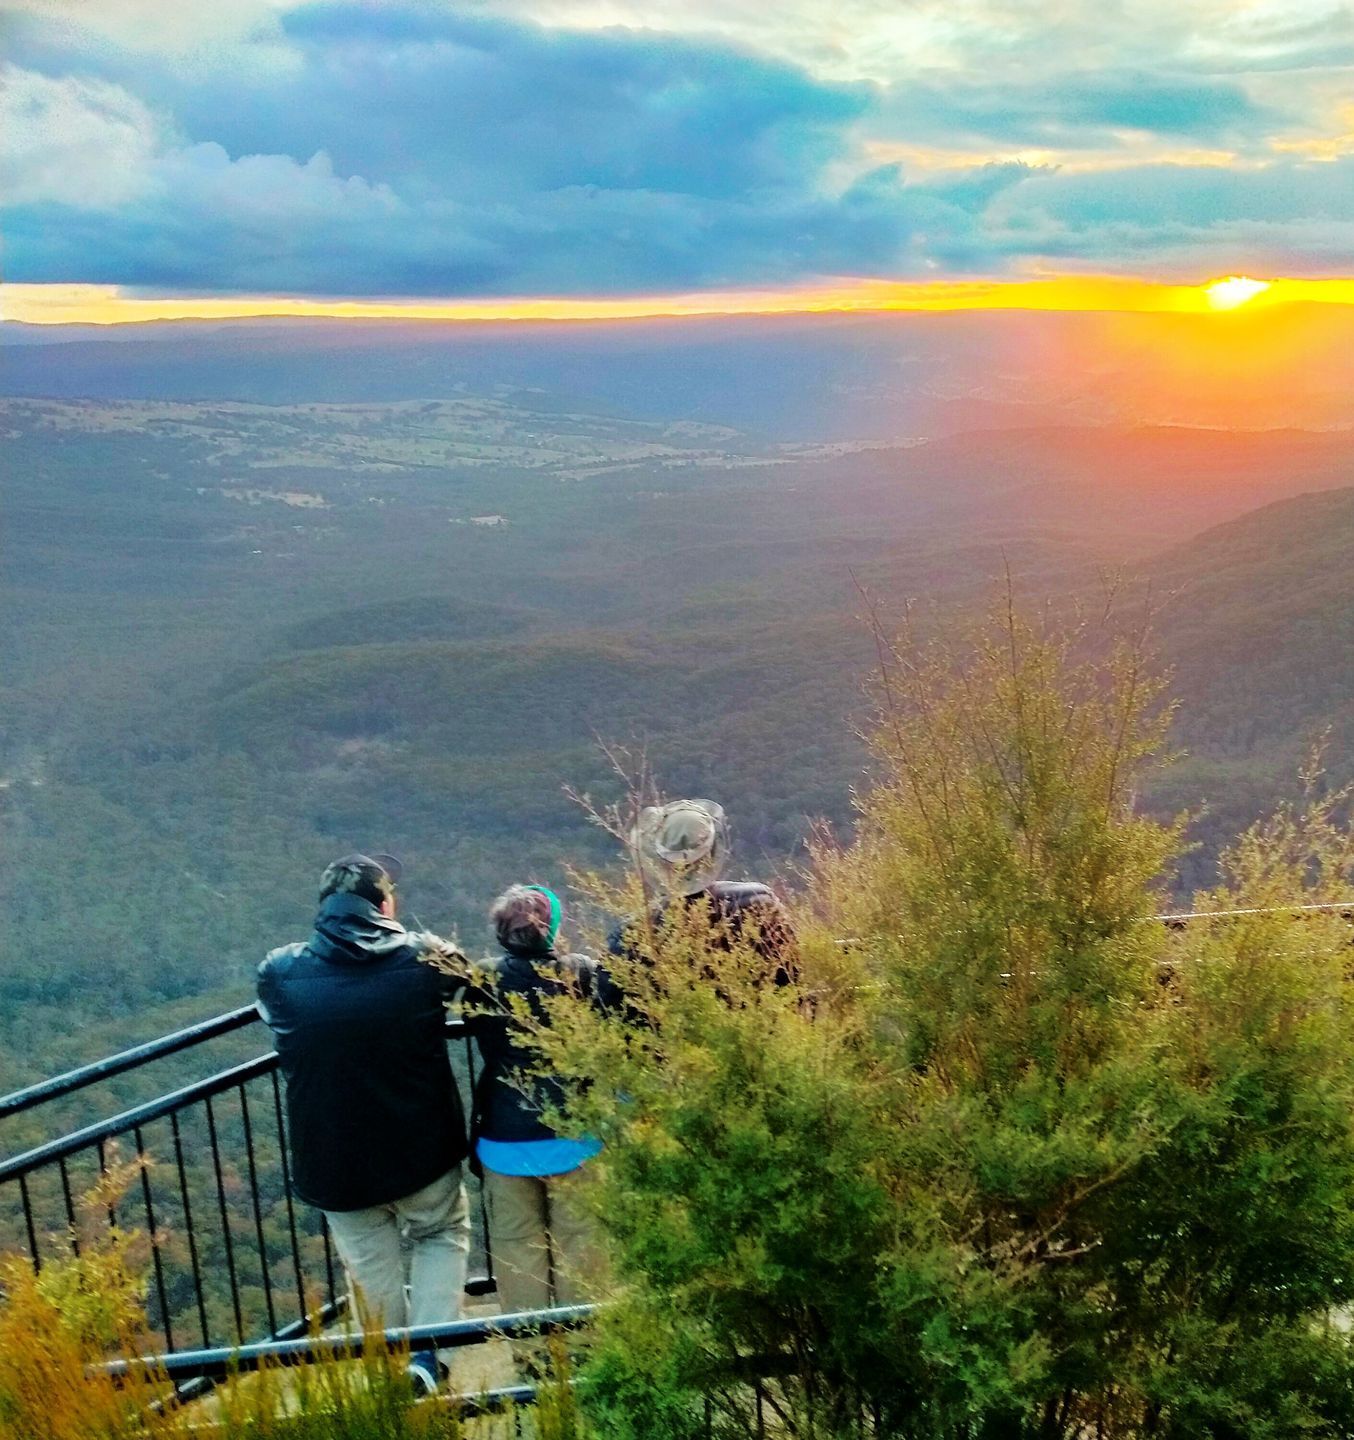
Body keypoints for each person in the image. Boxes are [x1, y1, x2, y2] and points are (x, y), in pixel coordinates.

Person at [257, 853, 470, 1397]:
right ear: (384, 904)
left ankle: (390, 1365)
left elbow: (277, 1016)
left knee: (370, 1264)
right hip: (422, 1147)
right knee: (439, 1234)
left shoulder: (280, 970)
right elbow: (472, 984)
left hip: (335, 1161)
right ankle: (428, 1357)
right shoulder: (425, 960)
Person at [467, 884, 620, 1317]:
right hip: (577, 1134)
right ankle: (586, 1349)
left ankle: (531, 1357)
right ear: (551, 928)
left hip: (504, 1138)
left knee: (517, 1249)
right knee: (582, 1244)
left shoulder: (483, 977)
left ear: (501, 933)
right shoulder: (584, 972)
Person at [609, 798, 797, 984]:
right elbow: (792, 977)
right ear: (713, 853)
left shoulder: (634, 932)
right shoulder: (759, 902)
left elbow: (612, 1002)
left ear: (660, 863)